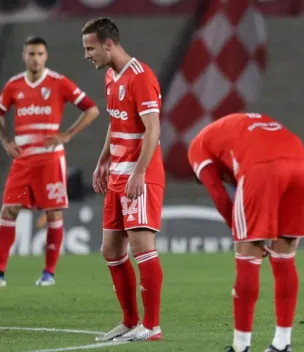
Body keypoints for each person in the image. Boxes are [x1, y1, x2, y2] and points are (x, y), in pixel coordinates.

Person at [188, 112, 304, 352]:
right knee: (284, 257)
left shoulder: (197, 148)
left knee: (248, 256)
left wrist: (240, 232)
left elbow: (217, 193)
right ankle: (282, 343)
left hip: (262, 166)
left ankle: (241, 346)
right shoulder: (233, 130)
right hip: (302, 163)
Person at [82, 17, 165, 342]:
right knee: (111, 250)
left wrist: (139, 171)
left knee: (142, 246)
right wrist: (104, 158)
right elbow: (116, 122)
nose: (87, 55)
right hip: (117, 174)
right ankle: (130, 322)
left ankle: (153, 326)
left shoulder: (140, 77)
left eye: (90, 48)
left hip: (139, 176)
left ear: (108, 44)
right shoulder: (110, 77)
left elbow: (153, 128)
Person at [0, 36, 99, 287]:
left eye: (40, 54)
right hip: (23, 163)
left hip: (50, 163)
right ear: (24, 55)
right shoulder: (13, 85)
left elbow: (92, 109)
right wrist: (5, 139)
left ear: (46, 56)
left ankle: (49, 273)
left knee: (53, 212)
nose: (35, 58)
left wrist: (67, 135)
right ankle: (0, 271)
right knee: (9, 209)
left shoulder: (58, 83)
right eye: (31, 54)